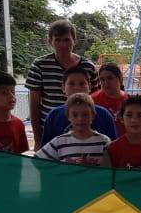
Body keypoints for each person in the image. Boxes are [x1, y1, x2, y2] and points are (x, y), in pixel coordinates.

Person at [26, 19, 99, 147]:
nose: (62, 44)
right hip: (51, 129)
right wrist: (38, 139)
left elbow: (95, 99)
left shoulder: (88, 67)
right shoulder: (39, 65)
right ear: (50, 42)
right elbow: (34, 105)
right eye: (57, 40)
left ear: (75, 41)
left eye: (67, 40)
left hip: (84, 129)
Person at [40, 65, 118, 145]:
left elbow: (113, 148)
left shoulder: (104, 114)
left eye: (82, 84)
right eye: (71, 84)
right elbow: (45, 150)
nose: (77, 88)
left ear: (89, 86)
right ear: (63, 87)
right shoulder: (54, 116)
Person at [35, 93, 110, 164]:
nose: (80, 119)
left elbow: (110, 169)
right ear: (68, 117)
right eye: (75, 115)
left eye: (85, 114)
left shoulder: (104, 142)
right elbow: (37, 161)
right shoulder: (59, 142)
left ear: (93, 116)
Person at [91, 62, 127, 136]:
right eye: (102, 79)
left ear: (120, 78)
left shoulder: (129, 101)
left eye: (110, 78)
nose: (106, 82)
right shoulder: (92, 100)